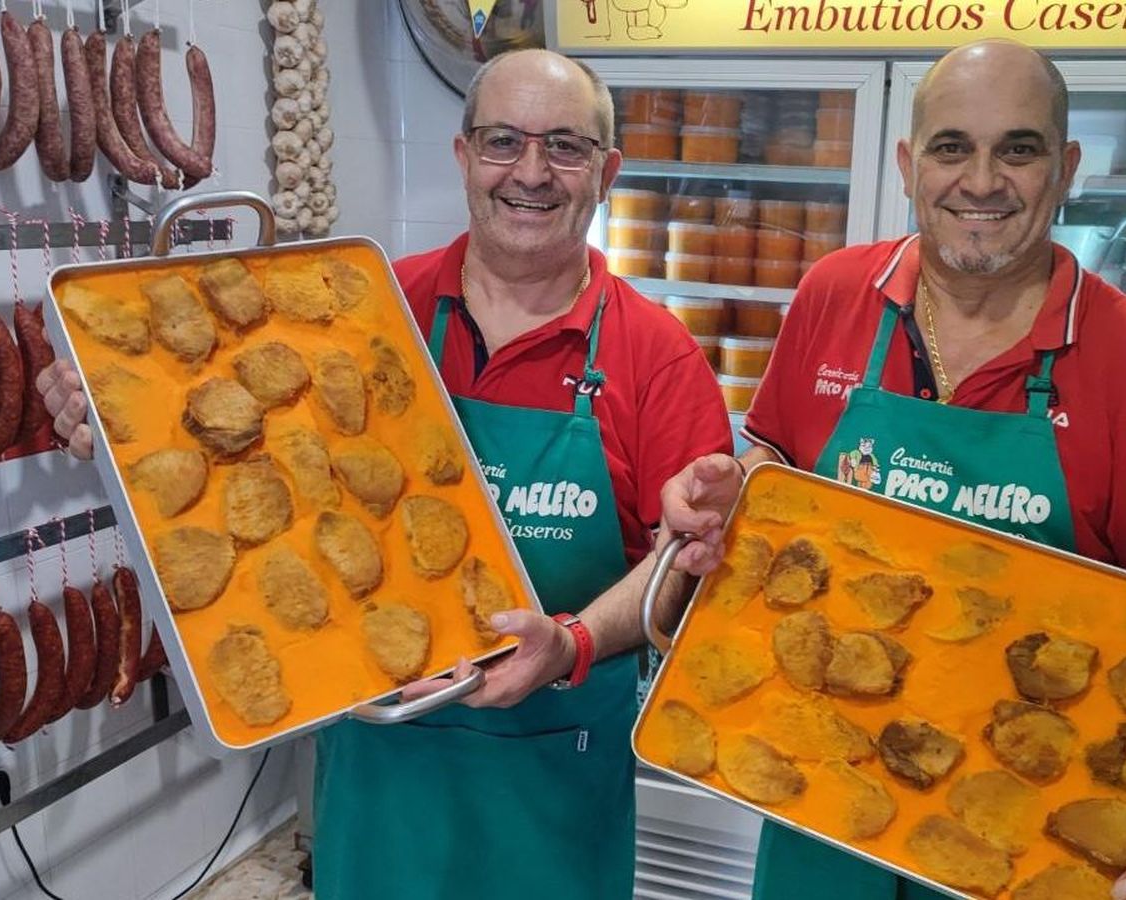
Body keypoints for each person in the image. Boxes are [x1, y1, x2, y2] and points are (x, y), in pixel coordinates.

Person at [37, 48, 732, 899]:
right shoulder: (367, 307)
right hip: (378, 771)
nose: (531, 172)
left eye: (565, 147)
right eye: (503, 141)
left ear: (607, 171)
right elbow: (243, 462)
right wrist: (111, 424)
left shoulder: (657, 355)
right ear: (464, 155)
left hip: (553, 782)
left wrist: (572, 643)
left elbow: (685, 578)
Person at [657, 39, 1126, 900]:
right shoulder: (833, 294)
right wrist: (724, 492)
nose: (981, 181)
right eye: (951, 148)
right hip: (822, 798)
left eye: (1018, 147)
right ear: (908, 165)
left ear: (1066, 166)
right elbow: (772, 474)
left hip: (1027, 835)